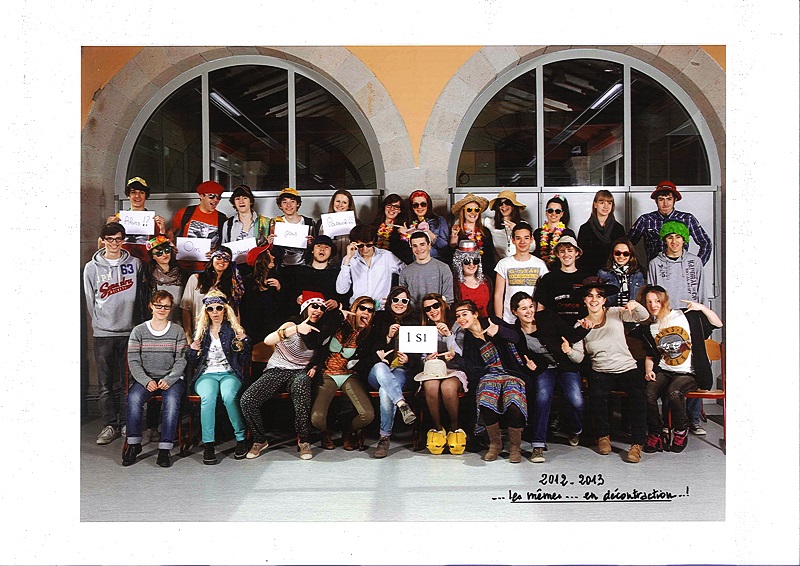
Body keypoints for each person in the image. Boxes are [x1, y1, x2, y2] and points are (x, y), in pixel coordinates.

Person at [239, 291, 340, 461]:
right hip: (278, 368)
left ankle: (304, 441)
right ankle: (259, 440)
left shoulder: (323, 330)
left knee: (301, 385)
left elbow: (322, 353)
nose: (318, 310)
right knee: (247, 400)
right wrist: (296, 329)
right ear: (306, 308)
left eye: (322, 308)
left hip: (301, 370)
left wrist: (315, 365)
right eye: (314, 306)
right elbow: (268, 341)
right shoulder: (292, 323)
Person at [635, 285, 723, 454]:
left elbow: (718, 324)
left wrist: (702, 308)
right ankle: (655, 433)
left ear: (665, 300)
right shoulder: (649, 327)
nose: (653, 305)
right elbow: (650, 355)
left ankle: (681, 430)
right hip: (665, 370)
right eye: (649, 302)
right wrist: (648, 371)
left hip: (689, 372)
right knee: (649, 394)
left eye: (657, 301)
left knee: (674, 393)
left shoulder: (686, 316)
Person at [573, 277, 650, 463]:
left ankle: (637, 444)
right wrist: (568, 350)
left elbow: (643, 317)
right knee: (597, 395)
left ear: (604, 300)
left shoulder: (615, 313)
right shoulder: (580, 325)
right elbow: (578, 357)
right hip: (600, 369)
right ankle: (603, 436)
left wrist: (636, 305)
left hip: (626, 367)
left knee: (638, 396)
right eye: (590, 296)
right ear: (584, 300)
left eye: (598, 296)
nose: (594, 299)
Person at [83, 222, 145, 445]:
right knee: (105, 383)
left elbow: (141, 296)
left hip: (129, 331)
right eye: (109, 239)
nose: (114, 243)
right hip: (104, 333)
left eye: (118, 239)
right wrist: (99, 323)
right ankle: (110, 424)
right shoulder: (91, 268)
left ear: (123, 240)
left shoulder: (135, 264)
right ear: (103, 240)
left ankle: (128, 422)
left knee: (129, 380)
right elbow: (90, 300)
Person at [511, 291, 588, 463]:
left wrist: (584, 328)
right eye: (523, 309)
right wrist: (528, 366)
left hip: (565, 366)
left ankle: (575, 429)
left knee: (576, 400)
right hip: (544, 369)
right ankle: (538, 445)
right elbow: (521, 357)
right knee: (543, 396)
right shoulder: (516, 332)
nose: (529, 311)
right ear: (514, 312)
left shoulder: (547, 317)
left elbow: (570, 334)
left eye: (531, 306)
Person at [455, 300, 527, 463]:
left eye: (464, 314)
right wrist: (455, 358)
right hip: (488, 376)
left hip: (510, 373)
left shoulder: (492, 321)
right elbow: (472, 368)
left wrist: (500, 330)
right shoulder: (468, 339)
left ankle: (515, 447)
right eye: (458, 316)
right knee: (486, 400)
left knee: (514, 401)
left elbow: (516, 338)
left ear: (475, 314)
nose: (461, 319)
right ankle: (495, 445)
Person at [184, 289, 251, 465]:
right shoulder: (201, 331)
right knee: (208, 398)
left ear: (225, 309)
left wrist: (245, 343)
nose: (215, 312)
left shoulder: (233, 330)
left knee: (229, 396)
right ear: (206, 311)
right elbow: (192, 362)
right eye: (210, 309)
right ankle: (208, 445)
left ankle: (241, 439)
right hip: (206, 374)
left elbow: (243, 361)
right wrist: (192, 350)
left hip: (229, 373)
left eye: (219, 308)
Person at [122, 290, 187, 468]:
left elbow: (181, 360)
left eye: (166, 306)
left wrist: (170, 379)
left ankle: (165, 449)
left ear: (170, 309)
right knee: (133, 398)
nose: (162, 310)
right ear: (151, 306)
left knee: (171, 401)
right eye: (158, 305)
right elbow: (133, 360)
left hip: (171, 379)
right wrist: (145, 380)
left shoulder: (177, 331)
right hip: (146, 378)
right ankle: (134, 444)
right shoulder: (139, 331)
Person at [308, 295, 377, 451]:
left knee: (367, 415)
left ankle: (348, 432)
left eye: (370, 310)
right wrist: (339, 317)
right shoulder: (337, 321)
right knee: (317, 419)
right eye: (362, 308)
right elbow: (320, 339)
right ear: (355, 309)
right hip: (327, 373)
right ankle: (324, 433)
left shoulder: (368, 333)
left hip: (348, 375)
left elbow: (367, 357)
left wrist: (363, 333)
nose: (366, 312)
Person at [364, 286, 421, 458]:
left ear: (408, 303)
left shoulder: (414, 320)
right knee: (381, 368)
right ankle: (402, 404)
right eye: (396, 299)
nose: (399, 303)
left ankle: (384, 438)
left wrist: (408, 360)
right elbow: (369, 348)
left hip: (401, 371)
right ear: (390, 301)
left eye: (404, 300)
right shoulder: (380, 318)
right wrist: (387, 338)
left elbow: (419, 356)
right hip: (378, 371)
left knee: (385, 391)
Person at [417, 294, 468, 455]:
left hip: (454, 369)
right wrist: (426, 359)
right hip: (433, 370)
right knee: (430, 386)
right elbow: (421, 358)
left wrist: (448, 336)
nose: (432, 311)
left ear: (443, 306)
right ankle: (438, 429)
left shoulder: (457, 325)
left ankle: (455, 428)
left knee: (447, 388)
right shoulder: (425, 329)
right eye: (427, 309)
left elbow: (460, 354)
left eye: (435, 306)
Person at [628, 180, 713, 265]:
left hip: (681, 269)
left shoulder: (687, 219)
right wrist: (637, 267)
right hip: (655, 269)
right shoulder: (645, 220)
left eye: (669, 199)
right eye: (661, 199)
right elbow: (626, 245)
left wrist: (696, 266)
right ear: (656, 201)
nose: (665, 203)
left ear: (675, 200)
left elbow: (706, 243)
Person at [238, 245, 284, 380]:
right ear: (261, 259)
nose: (273, 257)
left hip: (273, 334)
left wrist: (280, 290)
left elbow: (283, 310)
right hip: (254, 335)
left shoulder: (276, 280)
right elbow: (241, 309)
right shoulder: (245, 283)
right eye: (269, 254)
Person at [181, 247, 244, 343]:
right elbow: (186, 308)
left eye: (226, 259)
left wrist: (238, 331)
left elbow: (235, 310)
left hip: (223, 335)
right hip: (198, 332)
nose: (222, 261)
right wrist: (188, 334)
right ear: (212, 258)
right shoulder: (195, 279)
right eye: (218, 257)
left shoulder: (232, 284)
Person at [335, 224, 405, 310]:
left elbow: (407, 273)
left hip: (381, 309)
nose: (365, 249)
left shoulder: (387, 256)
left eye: (368, 245)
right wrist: (348, 259)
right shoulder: (349, 259)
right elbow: (341, 290)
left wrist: (395, 297)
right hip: (357, 309)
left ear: (374, 242)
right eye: (360, 246)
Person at [102, 177, 167, 263]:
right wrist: (107, 228)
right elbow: (101, 246)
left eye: (141, 192)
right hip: (122, 263)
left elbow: (160, 249)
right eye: (133, 192)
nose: (137, 196)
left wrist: (162, 231)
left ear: (146, 196)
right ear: (128, 195)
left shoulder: (154, 221)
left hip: (146, 264)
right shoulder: (117, 218)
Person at [493, 222, 548, 323]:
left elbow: (544, 295)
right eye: (518, 238)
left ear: (531, 239)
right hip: (509, 320)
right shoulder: (503, 264)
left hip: (532, 319)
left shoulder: (540, 264)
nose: (522, 242)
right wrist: (499, 321)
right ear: (513, 240)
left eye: (526, 238)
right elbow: (498, 295)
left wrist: (539, 318)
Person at [168, 180, 227, 273]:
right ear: (201, 196)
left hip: (208, 269)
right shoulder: (185, 213)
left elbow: (225, 244)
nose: (216, 200)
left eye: (218, 197)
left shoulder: (222, 218)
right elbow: (171, 231)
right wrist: (171, 244)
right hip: (183, 267)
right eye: (211, 196)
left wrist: (216, 252)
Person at [281, 234, 345, 317]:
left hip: (327, 318)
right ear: (312, 250)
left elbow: (345, 296)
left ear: (331, 252)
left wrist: (336, 303)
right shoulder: (299, 272)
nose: (322, 249)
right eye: (318, 246)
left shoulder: (337, 274)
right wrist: (296, 299)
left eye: (326, 247)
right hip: (301, 318)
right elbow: (287, 295)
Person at [532, 235, 591, 327]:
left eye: (570, 250)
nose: (566, 254)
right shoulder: (548, 278)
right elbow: (540, 309)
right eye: (562, 251)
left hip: (581, 327)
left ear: (576, 253)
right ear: (557, 254)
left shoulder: (586, 278)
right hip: (554, 329)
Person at [647, 220, 706, 306]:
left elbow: (702, 290)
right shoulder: (655, 264)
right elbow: (650, 294)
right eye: (670, 237)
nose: (674, 241)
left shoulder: (695, 261)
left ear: (684, 240)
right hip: (665, 310)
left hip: (691, 309)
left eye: (678, 237)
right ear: (665, 240)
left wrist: (704, 311)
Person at [220, 184, 271, 276]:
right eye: (237, 199)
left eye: (245, 198)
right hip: (234, 271)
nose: (241, 201)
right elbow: (223, 248)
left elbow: (270, 250)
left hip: (259, 270)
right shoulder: (228, 224)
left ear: (251, 201)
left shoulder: (265, 222)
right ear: (234, 202)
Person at [398, 231, 454, 309]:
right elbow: (402, 299)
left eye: (422, 244)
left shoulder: (443, 268)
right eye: (415, 246)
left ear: (429, 245)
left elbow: (448, 299)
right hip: (413, 315)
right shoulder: (405, 272)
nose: (419, 249)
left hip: (437, 313)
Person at [577, 190, 625, 274]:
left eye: (609, 203)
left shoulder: (618, 228)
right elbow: (581, 257)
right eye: (602, 203)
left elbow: (623, 254)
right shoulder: (585, 228)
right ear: (595, 205)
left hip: (613, 273)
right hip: (590, 273)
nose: (606, 206)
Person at [142, 236, 188, 324]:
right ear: (153, 256)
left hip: (179, 323)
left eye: (167, 251)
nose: (164, 255)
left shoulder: (183, 273)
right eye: (159, 253)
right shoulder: (148, 277)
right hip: (156, 324)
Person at [268, 187, 317, 268]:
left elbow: (316, 248)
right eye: (284, 202)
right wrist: (270, 243)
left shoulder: (309, 222)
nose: (288, 205)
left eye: (292, 201)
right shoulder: (276, 223)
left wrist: (311, 244)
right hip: (281, 267)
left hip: (304, 266)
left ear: (298, 204)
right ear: (280, 206)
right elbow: (272, 251)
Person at [449, 193, 496, 277]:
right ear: (463, 211)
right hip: (463, 275)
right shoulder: (456, 230)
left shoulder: (485, 232)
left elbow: (490, 257)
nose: (473, 213)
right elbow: (451, 256)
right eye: (469, 209)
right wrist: (453, 240)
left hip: (484, 273)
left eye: (476, 210)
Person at [401, 190, 450, 261]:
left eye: (423, 204)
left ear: (428, 205)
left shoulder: (439, 220)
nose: (419, 207)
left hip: (436, 261)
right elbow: (405, 252)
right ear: (412, 207)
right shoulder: (407, 223)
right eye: (416, 205)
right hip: (415, 263)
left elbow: (445, 247)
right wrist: (406, 235)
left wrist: (427, 232)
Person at [597, 237, 646, 308]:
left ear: (630, 255)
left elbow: (641, 299)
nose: (621, 256)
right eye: (617, 253)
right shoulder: (603, 273)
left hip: (632, 312)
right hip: (610, 311)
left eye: (626, 254)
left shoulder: (637, 275)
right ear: (612, 254)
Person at [314, 189, 360, 262]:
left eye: (344, 202)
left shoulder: (357, 224)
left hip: (350, 261)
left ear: (349, 206)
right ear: (333, 203)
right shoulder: (321, 222)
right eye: (338, 201)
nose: (340, 205)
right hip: (327, 262)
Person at [452, 240, 493, 317]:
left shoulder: (486, 280)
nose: (472, 265)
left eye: (475, 261)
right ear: (459, 264)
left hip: (485, 321)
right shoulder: (454, 284)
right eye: (467, 261)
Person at [532, 195, 576, 266]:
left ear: (562, 214)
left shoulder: (568, 233)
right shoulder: (537, 233)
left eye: (557, 211)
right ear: (546, 212)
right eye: (550, 210)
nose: (553, 213)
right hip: (540, 269)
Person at [484, 190, 527, 261]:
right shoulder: (489, 222)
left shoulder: (523, 224)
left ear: (513, 206)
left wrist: (517, 230)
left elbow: (532, 247)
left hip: (519, 263)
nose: (504, 206)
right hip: (499, 264)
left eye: (507, 203)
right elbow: (472, 221)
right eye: (500, 204)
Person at [371, 193, 414, 264]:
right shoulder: (373, 226)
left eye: (396, 207)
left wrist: (406, 235)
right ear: (384, 207)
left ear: (400, 210)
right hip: (375, 262)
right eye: (389, 205)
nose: (392, 209)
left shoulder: (403, 227)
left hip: (394, 264)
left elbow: (408, 255)